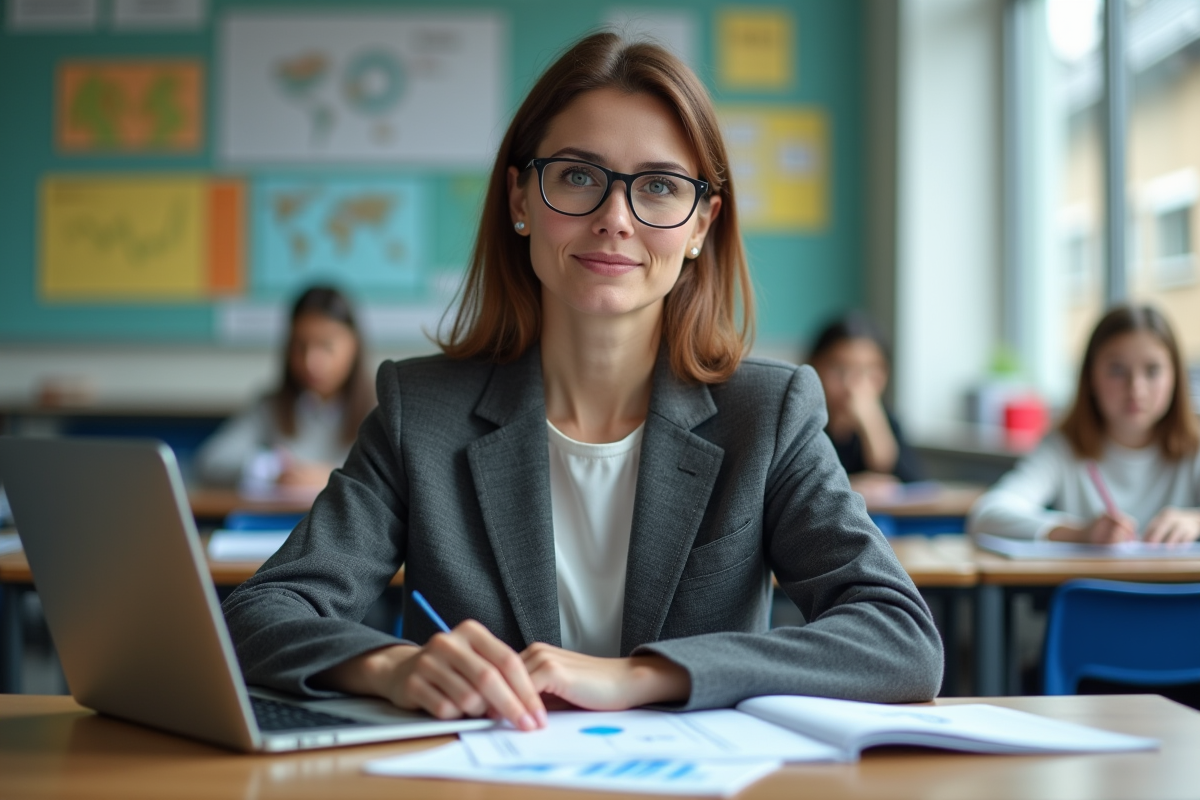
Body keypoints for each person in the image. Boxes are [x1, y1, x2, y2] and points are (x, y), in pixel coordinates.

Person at [222, 33, 942, 732]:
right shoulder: (422, 412)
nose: (614, 219)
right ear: (520, 199)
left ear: (700, 226)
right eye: (576, 176)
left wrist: (645, 675)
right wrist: (390, 667)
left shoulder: (768, 413)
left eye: (659, 187)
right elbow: (263, 611)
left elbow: (899, 637)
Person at [968, 304, 1200, 544]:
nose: (1136, 389)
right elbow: (987, 514)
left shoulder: (1195, 448)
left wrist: (1195, 521)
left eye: (1152, 371)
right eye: (1117, 370)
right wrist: (1079, 534)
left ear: (1175, 378)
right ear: (1091, 377)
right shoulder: (1064, 448)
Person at [195, 285, 375, 491]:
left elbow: (396, 484)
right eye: (300, 346)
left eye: (326, 346)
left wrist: (332, 476)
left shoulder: (380, 412)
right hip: (279, 523)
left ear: (354, 346)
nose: (311, 362)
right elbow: (210, 462)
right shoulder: (271, 406)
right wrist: (269, 470)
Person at [808, 313, 922, 499]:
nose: (851, 386)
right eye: (838, 370)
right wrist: (850, 485)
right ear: (813, 367)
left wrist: (871, 422)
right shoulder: (803, 424)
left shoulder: (886, 420)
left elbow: (913, 486)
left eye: (868, 371)